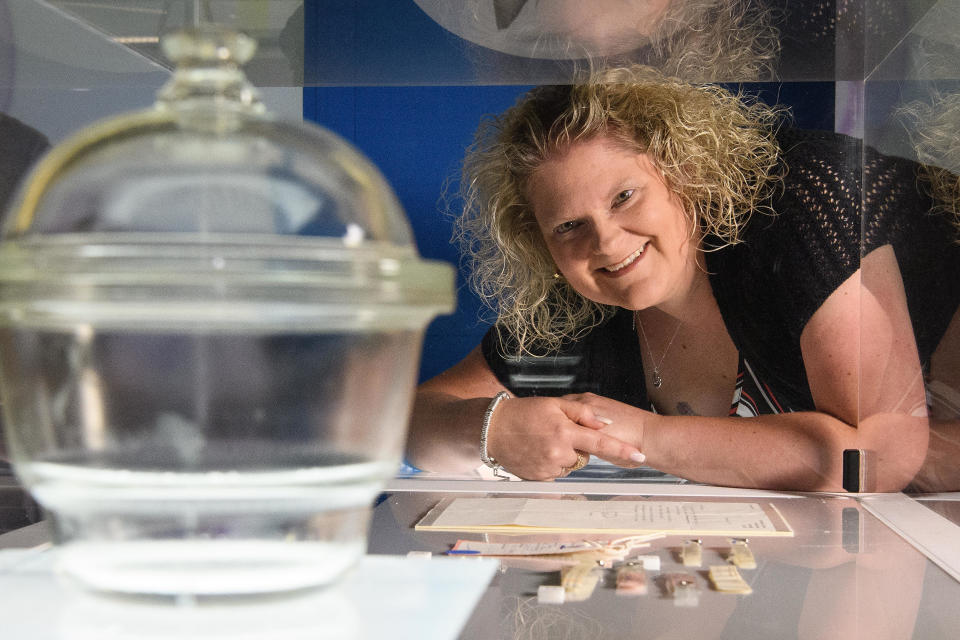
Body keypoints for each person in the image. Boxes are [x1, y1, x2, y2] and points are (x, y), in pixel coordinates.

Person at [405, 65, 938, 492]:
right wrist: (492, 431)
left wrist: (643, 434)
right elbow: (413, 421)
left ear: (685, 172)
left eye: (624, 197)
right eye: (569, 226)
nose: (606, 243)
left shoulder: (803, 203)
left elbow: (877, 459)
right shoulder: (572, 308)